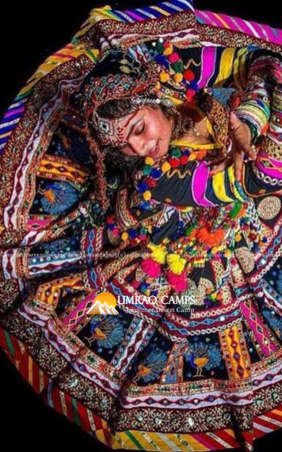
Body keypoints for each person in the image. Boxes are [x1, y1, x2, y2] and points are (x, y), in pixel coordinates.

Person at [1, 3, 282, 452]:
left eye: (138, 127)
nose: (141, 146)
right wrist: (256, 126)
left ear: (153, 96)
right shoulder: (164, 180)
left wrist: (248, 117)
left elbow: (266, 59)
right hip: (191, 230)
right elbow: (261, 177)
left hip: (242, 192)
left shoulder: (177, 69)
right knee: (137, 306)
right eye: (128, 145)